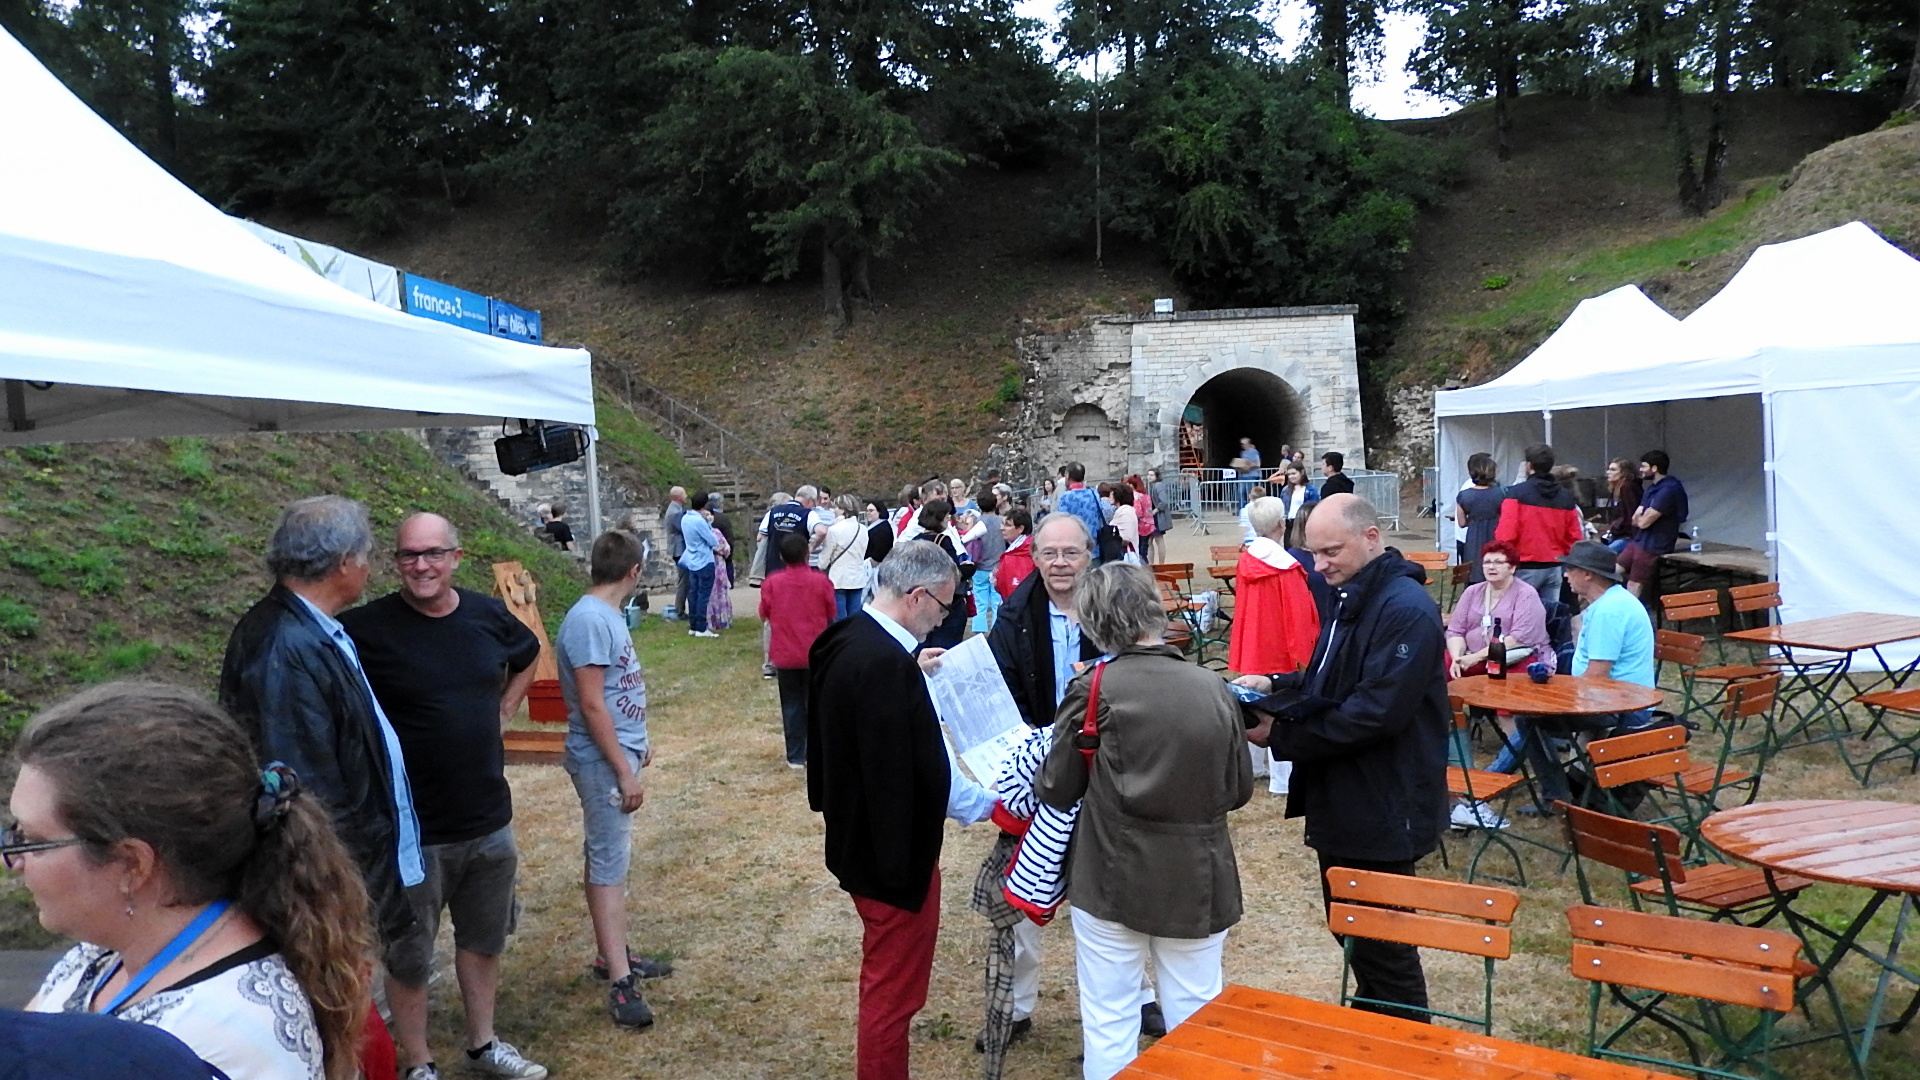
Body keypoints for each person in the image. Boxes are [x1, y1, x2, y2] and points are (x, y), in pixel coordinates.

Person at [18, 681, 375, 1080]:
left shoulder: (216, 1042)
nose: (13, 861)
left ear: (132, 864)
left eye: (33, 842)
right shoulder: (105, 957)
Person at [341, 514, 546, 1080]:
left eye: (433, 554)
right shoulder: (365, 628)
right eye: (409, 556)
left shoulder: (485, 614)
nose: (421, 566)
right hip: (413, 830)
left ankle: (483, 1045)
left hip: (487, 817)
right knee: (409, 952)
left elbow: (527, 653)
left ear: (456, 557)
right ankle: (420, 1063)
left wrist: (506, 708)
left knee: (483, 938)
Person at [1234, 494, 1449, 1023]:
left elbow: (1375, 712)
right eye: (1314, 552)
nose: (1320, 564)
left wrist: (1279, 737)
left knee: (1383, 941)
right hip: (1348, 796)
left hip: (1383, 800)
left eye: (1331, 551)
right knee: (1353, 929)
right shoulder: (1348, 594)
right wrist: (1278, 684)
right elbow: (1333, 677)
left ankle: (1406, 1045)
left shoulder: (1404, 609)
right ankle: (1376, 1023)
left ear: (1371, 538)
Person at [1035, 565, 1254, 1080]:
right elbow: (1239, 788)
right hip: (1196, 872)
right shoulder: (1212, 687)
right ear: (1152, 610)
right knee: (1198, 1014)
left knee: (1111, 1019)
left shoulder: (1095, 688)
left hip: (1111, 873)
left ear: (1095, 621)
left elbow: (1056, 786)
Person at [806, 542, 996, 1080]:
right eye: (943, 605)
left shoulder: (846, 639)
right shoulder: (888, 669)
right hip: (892, 861)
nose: (944, 617)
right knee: (892, 996)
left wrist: (914, 672)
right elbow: (928, 773)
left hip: (853, 840)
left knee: (887, 986)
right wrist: (991, 806)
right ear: (916, 597)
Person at [981, 515, 1165, 1048]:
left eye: (1071, 553)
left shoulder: (1115, 608)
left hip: (1109, 771)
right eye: (1049, 554)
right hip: (1043, 773)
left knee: (1115, 892)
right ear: (1033, 556)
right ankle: (1015, 1007)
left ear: (1091, 555)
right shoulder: (1015, 617)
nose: (1060, 564)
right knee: (1022, 894)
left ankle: (1138, 996)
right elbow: (1000, 688)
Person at [218, 496, 422, 956]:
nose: (370, 569)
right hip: (326, 888)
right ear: (344, 563)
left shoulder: (308, 631)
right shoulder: (285, 649)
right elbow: (306, 793)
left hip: (344, 875)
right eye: (367, 557)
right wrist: (341, 900)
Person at [556, 530, 671, 1030]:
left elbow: (616, 690)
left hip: (617, 753)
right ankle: (620, 980)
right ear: (633, 572)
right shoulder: (588, 621)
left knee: (605, 856)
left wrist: (636, 740)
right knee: (608, 864)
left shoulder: (603, 616)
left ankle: (613, 952)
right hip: (602, 764)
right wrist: (623, 771)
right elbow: (591, 701)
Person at [1509, 540, 1658, 811]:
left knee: (1527, 719)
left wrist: (1559, 698)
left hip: (1620, 707)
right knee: (1535, 711)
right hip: (1621, 699)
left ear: (1587, 573)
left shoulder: (1609, 611)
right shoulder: (1613, 602)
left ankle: (1556, 796)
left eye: (1570, 568)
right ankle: (1568, 787)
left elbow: (1598, 676)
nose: (1565, 574)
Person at [760, 534, 837, 768]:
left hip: (785, 652)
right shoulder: (821, 581)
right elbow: (831, 611)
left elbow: (765, 612)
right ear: (807, 553)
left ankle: (795, 755)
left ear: (781, 556)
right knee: (816, 704)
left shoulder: (773, 582)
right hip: (816, 651)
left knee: (791, 704)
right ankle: (817, 751)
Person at [1229, 497, 1320, 680]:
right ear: (1281, 523)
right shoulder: (1286, 567)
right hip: (1281, 651)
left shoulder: (1247, 560)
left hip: (1254, 644)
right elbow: (1300, 616)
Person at [1493, 443, 1583, 606]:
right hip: (1554, 565)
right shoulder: (1565, 497)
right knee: (1549, 617)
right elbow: (1574, 537)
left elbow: (1506, 534)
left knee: (1521, 615)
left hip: (1525, 565)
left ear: (1529, 466)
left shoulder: (1515, 494)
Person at [1616, 450, 1689, 599]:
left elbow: (1642, 522)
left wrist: (1642, 517)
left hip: (1656, 544)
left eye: (1644, 466)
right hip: (1640, 540)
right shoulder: (1652, 488)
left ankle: (1629, 616)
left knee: (1634, 585)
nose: (1640, 470)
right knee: (1613, 570)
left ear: (1654, 468)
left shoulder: (1669, 489)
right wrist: (1642, 517)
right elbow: (1635, 519)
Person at [915, 500, 975, 650]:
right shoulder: (943, 541)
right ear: (939, 518)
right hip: (946, 604)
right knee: (946, 650)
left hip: (923, 601)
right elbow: (953, 573)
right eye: (947, 516)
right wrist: (969, 568)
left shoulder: (915, 540)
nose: (949, 519)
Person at [1454, 453, 1505, 585]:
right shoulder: (1501, 493)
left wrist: (1473, 518)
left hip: (1474, 539)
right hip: (1495, 536)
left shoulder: (1464, 496)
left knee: (1474, 576)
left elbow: (1461, 523)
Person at [678, 492, 722, 638]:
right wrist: (708, 522)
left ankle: (693, 625)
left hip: (692, 559)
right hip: (704, 560)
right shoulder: (699, 521)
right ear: (704, 505)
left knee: (693, 594)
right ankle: (702, 628)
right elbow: (713, 541)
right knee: (703, 595)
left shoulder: (685, 518)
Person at [820, 494, 871, 620]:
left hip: (838, 579)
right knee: (855, 618)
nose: (834, 510)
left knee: (839, 620)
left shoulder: (834, 530)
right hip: (857, 578)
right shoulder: (863, 529)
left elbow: (823, 562)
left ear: (843, 509)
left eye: (836, 507)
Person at [967, 492, 1008, 632]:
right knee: (997, 600)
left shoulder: (976, 522)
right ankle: (997, 628)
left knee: (980, 600)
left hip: (980, 566)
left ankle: (979, 628)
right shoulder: (1002, 521)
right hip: (998, 566)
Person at [1055, 463, 1105, 549]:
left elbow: (1061, 523)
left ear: (1067, 475)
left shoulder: (1066, 497)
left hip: (1074, 550)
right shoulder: (1094, 493)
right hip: (1095, 547)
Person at [1600, 456, 1642, 554]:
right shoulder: (1616, 489)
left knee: (1603, 554)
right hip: (1619, 535)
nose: (1608, 472)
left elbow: (1630, 514)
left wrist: (1618, 528)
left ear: (1624, 473)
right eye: (1608, 469)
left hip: (1628, 536)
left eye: (1613, 470)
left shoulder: (1628, 487)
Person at [660, 487, 688, 619]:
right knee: (684, 580)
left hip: (679, 548)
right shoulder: (674, 512)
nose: (686, 496)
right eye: (684, 494)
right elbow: (683, 528)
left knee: (685, 579)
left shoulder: (676, 509)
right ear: (678, 496)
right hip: (679, 549)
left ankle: (680, 608)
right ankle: (679, 610)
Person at [995, 508, 1035, 599]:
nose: (1002, 528)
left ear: (1020, 528)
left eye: (1007, 525)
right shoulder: (1027, 549)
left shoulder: (1024, 554)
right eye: (1002, 524)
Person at [1276, 465, 1319, 550]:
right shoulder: (1285, 490)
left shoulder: (1311, 490)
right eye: (1289, 474)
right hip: (1289, 523)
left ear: (1302, 472)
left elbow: (1313, 507)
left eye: (1293, 473)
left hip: (1303, 522)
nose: (1291, 476)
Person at [1100, 482, 1139, 561]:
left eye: (1111, 494)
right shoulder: (1123, 510)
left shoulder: (1125, 511)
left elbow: (1126, 537)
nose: (1109, 496)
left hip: (1125, 556)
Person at [1146, 469, 1176, 560]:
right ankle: (1151, 563)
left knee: (1158, 539)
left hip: (1157, 517)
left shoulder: (1158, 486)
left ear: (1156, 476)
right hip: (1152, 516)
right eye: (1148, 475)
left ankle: (1161, 563)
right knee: (1150, 540)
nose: (1149, 477)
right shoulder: (1151, 486)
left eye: (1151, 475)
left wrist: (1155, 510)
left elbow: (1164, 501)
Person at [1127, 475, 1157, 565]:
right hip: (1149, 525)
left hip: (1141, 527)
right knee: (1144, 550)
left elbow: (1138, 512)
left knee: (1140, 553)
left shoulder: (1136, 496)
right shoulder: (1146, 495)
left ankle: (1144, 570)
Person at [862, 496, 895, 568]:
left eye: (871, 511)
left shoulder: (883, 529)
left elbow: (880, 552)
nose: (868, 513)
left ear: (879, 511)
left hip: (876, 567)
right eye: (867, 511)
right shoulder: (877, 526)